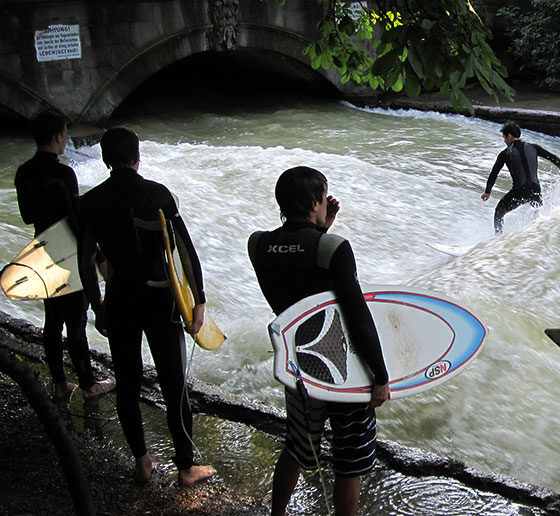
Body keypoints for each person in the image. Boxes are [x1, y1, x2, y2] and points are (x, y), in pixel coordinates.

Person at [76, 126, 216, 485]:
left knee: (127, 381)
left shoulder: (90, 202)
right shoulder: (157, 193)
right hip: (160, 299)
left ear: (105, 159)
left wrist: (98, 306)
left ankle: (142, 461)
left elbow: (86, 261)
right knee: (173, 384)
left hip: (120, 297)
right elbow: (185, 251)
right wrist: (198, 300)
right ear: (137, 157)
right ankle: (186, 468)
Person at [248, 166, 390, 516]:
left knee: (298, 446)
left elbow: (299, 278)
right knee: (350, 458)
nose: (327, 201)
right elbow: (356, 314)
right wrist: (380, 375)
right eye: (324, 196)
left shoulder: (259, 245)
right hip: (343, 367)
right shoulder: (333, 248)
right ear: (314, 203)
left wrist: (320, 229)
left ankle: (277, 513)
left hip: (298, 363)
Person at [14, 111, 115, 399]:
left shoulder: (23, 172)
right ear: (58, 136)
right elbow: (74, 220)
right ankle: (89, 385)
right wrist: (95, 253)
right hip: (69, 253)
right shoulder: (63, 175)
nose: (66, 139)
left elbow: (26, 216)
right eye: (65, 134)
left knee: (53, 319)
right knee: (76, 323)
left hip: (43, 250)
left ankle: (59, 384)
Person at [482, 121, 560, 234]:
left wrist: (487, 192)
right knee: (538, 216)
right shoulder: (534, 147)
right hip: (536, 190)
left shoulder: (505, 153)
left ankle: (498, 238)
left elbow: (494, 173)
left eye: (504, 137)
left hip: (520, 191)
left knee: (499, 212)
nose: (504, 141)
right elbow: (552, 157)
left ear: (509, 136)